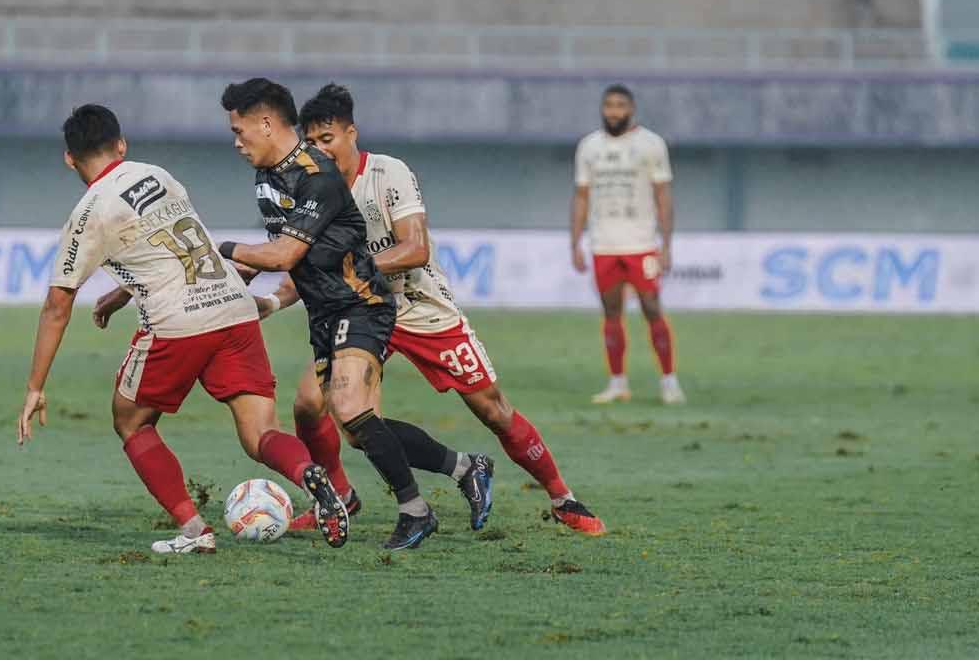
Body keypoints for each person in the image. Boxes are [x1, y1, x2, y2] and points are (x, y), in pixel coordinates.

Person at [261, 84, 607, 536]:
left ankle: (563, 499)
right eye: (311, 143)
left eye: (327, 139)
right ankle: (341, 497)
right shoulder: (311, 190)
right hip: (361, 311)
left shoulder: (388, 173)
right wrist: (269, 301)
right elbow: (302, 268)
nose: (320, 150)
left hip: (420, 307)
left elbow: (415, 248)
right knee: (314, 406)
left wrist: (350, 266)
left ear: (351, 134)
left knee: (494, 410)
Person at [16, 104, 349, 554]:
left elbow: (58, 306)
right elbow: (173, 245)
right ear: (121, 145)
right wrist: (123, 292)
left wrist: (36, 386)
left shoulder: (89, 211)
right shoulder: (157, 174)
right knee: (260, 433)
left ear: (69, 159)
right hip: (234, 306)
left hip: (177, 322)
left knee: (131, 420)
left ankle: (195, 530)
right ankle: (310, 476)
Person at [215, 78, 493, 551]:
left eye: (240, 131)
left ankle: (415, 512)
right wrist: (233, 282)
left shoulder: (317, 176)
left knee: (346, 407)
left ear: (266, 124)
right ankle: (466, 467)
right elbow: (292, 254)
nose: (237, 143)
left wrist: (213, 247)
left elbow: (283, 254)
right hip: (324, 311)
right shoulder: (268, 178)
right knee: (358, 428)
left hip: (361, 303)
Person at [570, 84, 685, 405]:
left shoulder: (651, 144)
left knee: (651, 308)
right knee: (611, 312)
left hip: (642, 242)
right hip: (603, 244)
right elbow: (581, 197)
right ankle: (618, 382)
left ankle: (669, 381)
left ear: (631, 108)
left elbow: (663, 196)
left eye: (620, 105)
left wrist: (667, 244)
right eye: (609, 105)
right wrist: (575, 242)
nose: (614, 111)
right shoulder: (589, 147)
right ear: (603, 109)